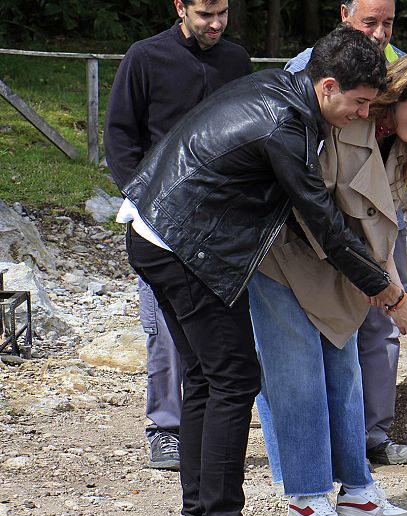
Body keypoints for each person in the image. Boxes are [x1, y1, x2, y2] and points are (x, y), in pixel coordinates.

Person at [120, 26, 407, 516]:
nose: (363, 115)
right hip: (180, 244)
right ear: (328, 87)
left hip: (157, 229)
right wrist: (391, 294)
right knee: (233, 378)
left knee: (210, 379)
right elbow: (325, 225)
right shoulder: (284, 124)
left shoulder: (281, 90)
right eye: (360, 103)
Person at [251, 49, 407, 516]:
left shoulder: (398, 142)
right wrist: (389, 291)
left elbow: (377, 220)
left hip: (342, 267)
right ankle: (306, 497)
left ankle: (356, 488)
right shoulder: (345, 123)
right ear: (398, 95)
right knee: (298, 376)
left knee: (345, 371)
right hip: (288, 256)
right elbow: (322, 214)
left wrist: (391, 288)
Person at [284, 0, 407, 466]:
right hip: (326, 216)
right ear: (344, 14)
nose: (379, 33)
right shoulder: (313, 68)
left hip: (381, 209)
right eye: (369, 22)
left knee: (382, 323)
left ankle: (372, 434)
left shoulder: (405, 69)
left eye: (387, 23)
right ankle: (324, 438)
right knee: (324, 324)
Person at [104, 0, 252, 471]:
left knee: (212, 347)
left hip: (220, 226)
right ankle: (164, 430)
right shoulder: (144, 58)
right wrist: (146, 202)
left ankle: (206, 438)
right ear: (180, 7)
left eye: (223, 13)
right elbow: (120, 137)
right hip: (159, 226)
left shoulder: (236, 61)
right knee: (165, 333)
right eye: (206, 14)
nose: (215, 24)